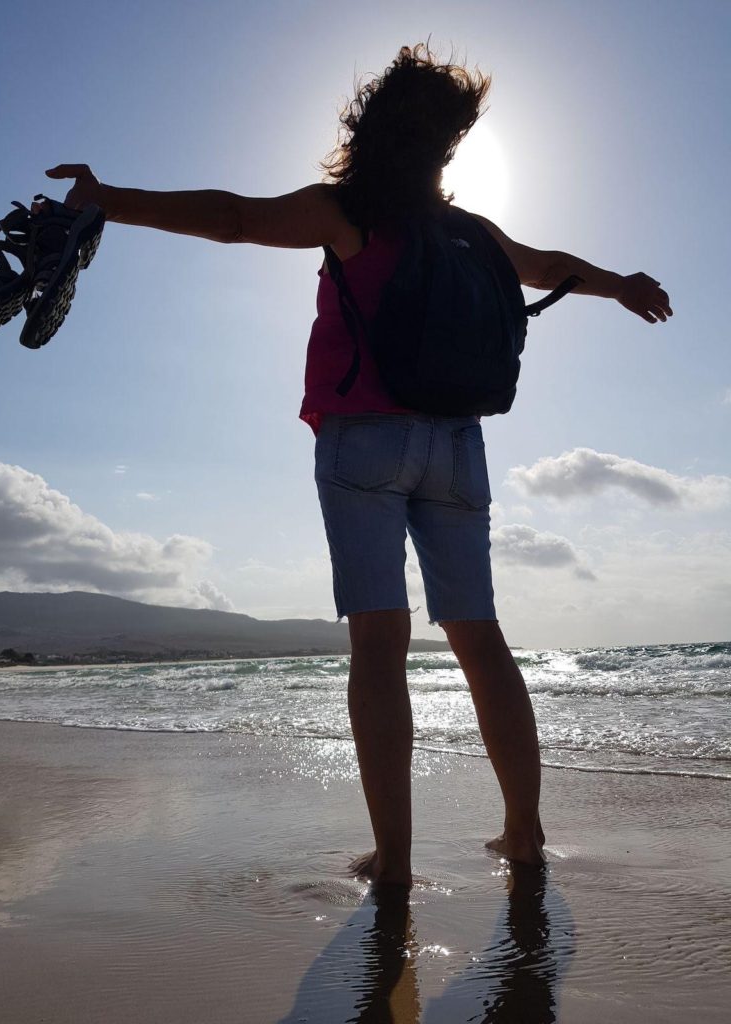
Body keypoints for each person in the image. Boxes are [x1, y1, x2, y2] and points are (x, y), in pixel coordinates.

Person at [45, 43, 672, 889]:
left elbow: (232, 217)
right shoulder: (470, 233)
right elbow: (551, 269)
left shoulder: (346, 210)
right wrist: (622, 283)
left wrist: (106, 200)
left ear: (367, 129)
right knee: (481, 643)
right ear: (446, 146)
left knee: (380, 645)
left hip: (362, 441)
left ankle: (397, 862)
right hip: (457, 442)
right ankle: (523, 834)